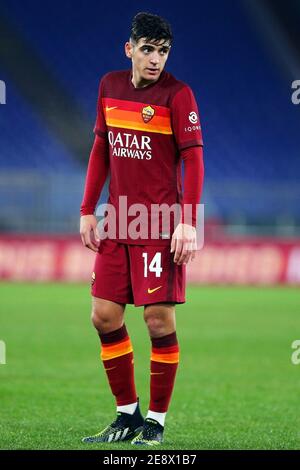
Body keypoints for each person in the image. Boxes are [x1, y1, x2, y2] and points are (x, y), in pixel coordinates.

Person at [80, 11, 204, 446]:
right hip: (117, 219)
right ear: (129, 49)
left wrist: (188, 223)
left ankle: (155, 420)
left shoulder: (178, 95)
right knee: (104, 315)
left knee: (156, 320)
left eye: (163, 51)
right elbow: (100, 148)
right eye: (148, 49)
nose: (155, 59)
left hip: (158, 224)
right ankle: (127, 414)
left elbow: (193, 160)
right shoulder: (109, 87)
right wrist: (87, 208)